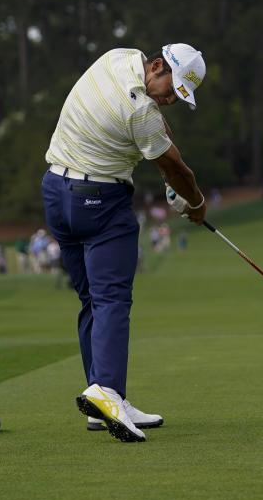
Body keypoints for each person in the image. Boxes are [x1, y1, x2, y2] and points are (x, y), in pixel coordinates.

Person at [42, 43, 208, 442]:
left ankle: (104, 401)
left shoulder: (116, 57)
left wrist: (169, 171)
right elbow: (174, 166)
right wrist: (196, 204)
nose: (169, 100)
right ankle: (107, 391)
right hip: (99, 202)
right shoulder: (141, 112)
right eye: (171, 90)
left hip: (55, 193)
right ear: (156, 66)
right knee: (113, 299)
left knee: (91, 301)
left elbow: (160, 138)